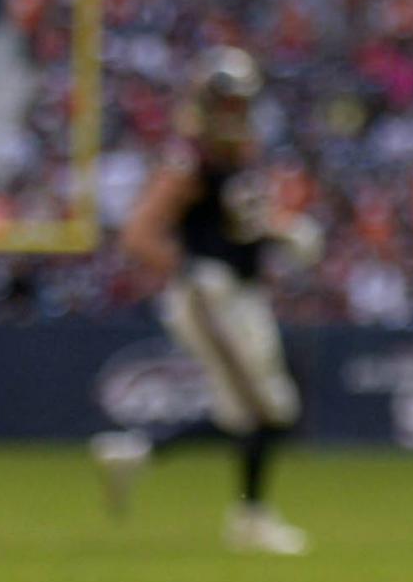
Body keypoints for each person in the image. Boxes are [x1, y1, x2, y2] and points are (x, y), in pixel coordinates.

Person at [93, 46, 318, 556]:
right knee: (268, 406)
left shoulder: (236, 154)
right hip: (213, 297)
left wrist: (283, 234)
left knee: (255, 410)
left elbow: (239, 224)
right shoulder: (189, 159)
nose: (236, 110)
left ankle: (138, 453)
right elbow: (138, 234)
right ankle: (249, 517)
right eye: (227, 100)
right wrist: (191, 271)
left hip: (243, 294)